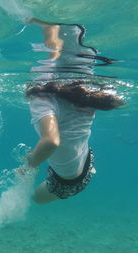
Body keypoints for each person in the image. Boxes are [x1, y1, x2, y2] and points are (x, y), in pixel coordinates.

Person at [20, 18, 125, 204]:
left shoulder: (42, 99)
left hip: (70, 180)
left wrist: (28, 166)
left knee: (35, 199)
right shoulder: (79, 92)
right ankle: (51, 26)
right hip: (82, 163)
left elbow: (51, 142)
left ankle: (51, 25)